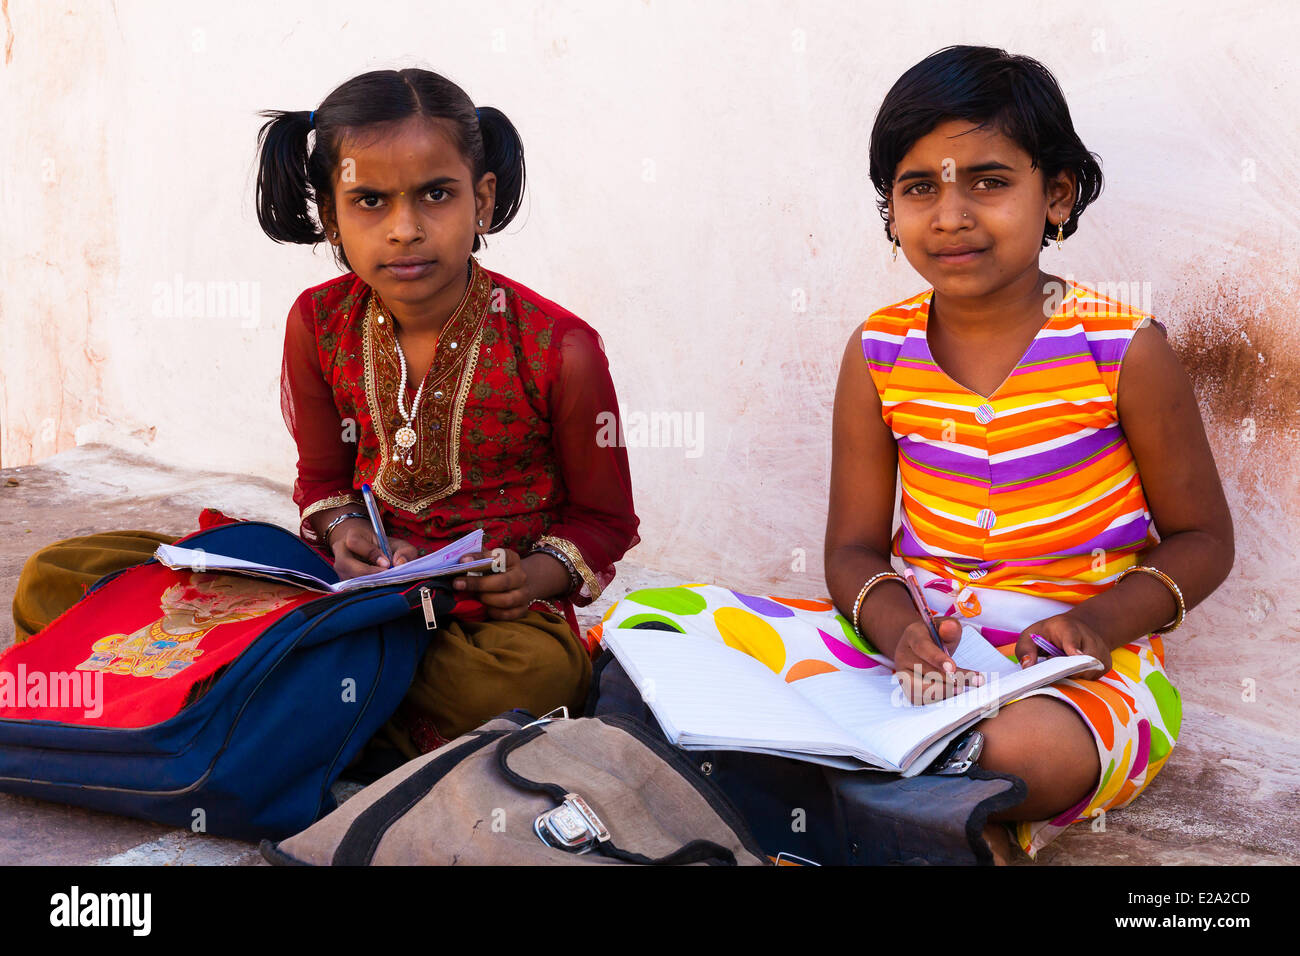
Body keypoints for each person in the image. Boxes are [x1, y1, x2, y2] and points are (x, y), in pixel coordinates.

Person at [593, 46, 1233, 863]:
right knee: (656, 629)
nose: (951, 213)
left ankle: (831, 788)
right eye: (918, 185)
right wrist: (900, 637)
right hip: (912, 654)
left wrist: (1100, 622)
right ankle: (925, 815)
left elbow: (1204, 542)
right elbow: (852, 551)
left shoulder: (1123, 350)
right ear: (890, 208)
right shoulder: (880, 350)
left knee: (1020, 753)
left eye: (990, 182)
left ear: (1058, 195)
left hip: (1069, 670)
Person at [12, 68, 640, 762]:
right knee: (64, 573)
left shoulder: (560, 348)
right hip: (342, 594)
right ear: (330, 215)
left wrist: (530, 577)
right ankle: (313, 703)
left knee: (526, 679)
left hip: (478, 619)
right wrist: (344, 531)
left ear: (482, 201)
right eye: (370, 200)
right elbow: (323, 483)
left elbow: (604, 521)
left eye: (437, 194)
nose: (405, 229)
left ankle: (240, 695)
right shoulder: (318, 322)